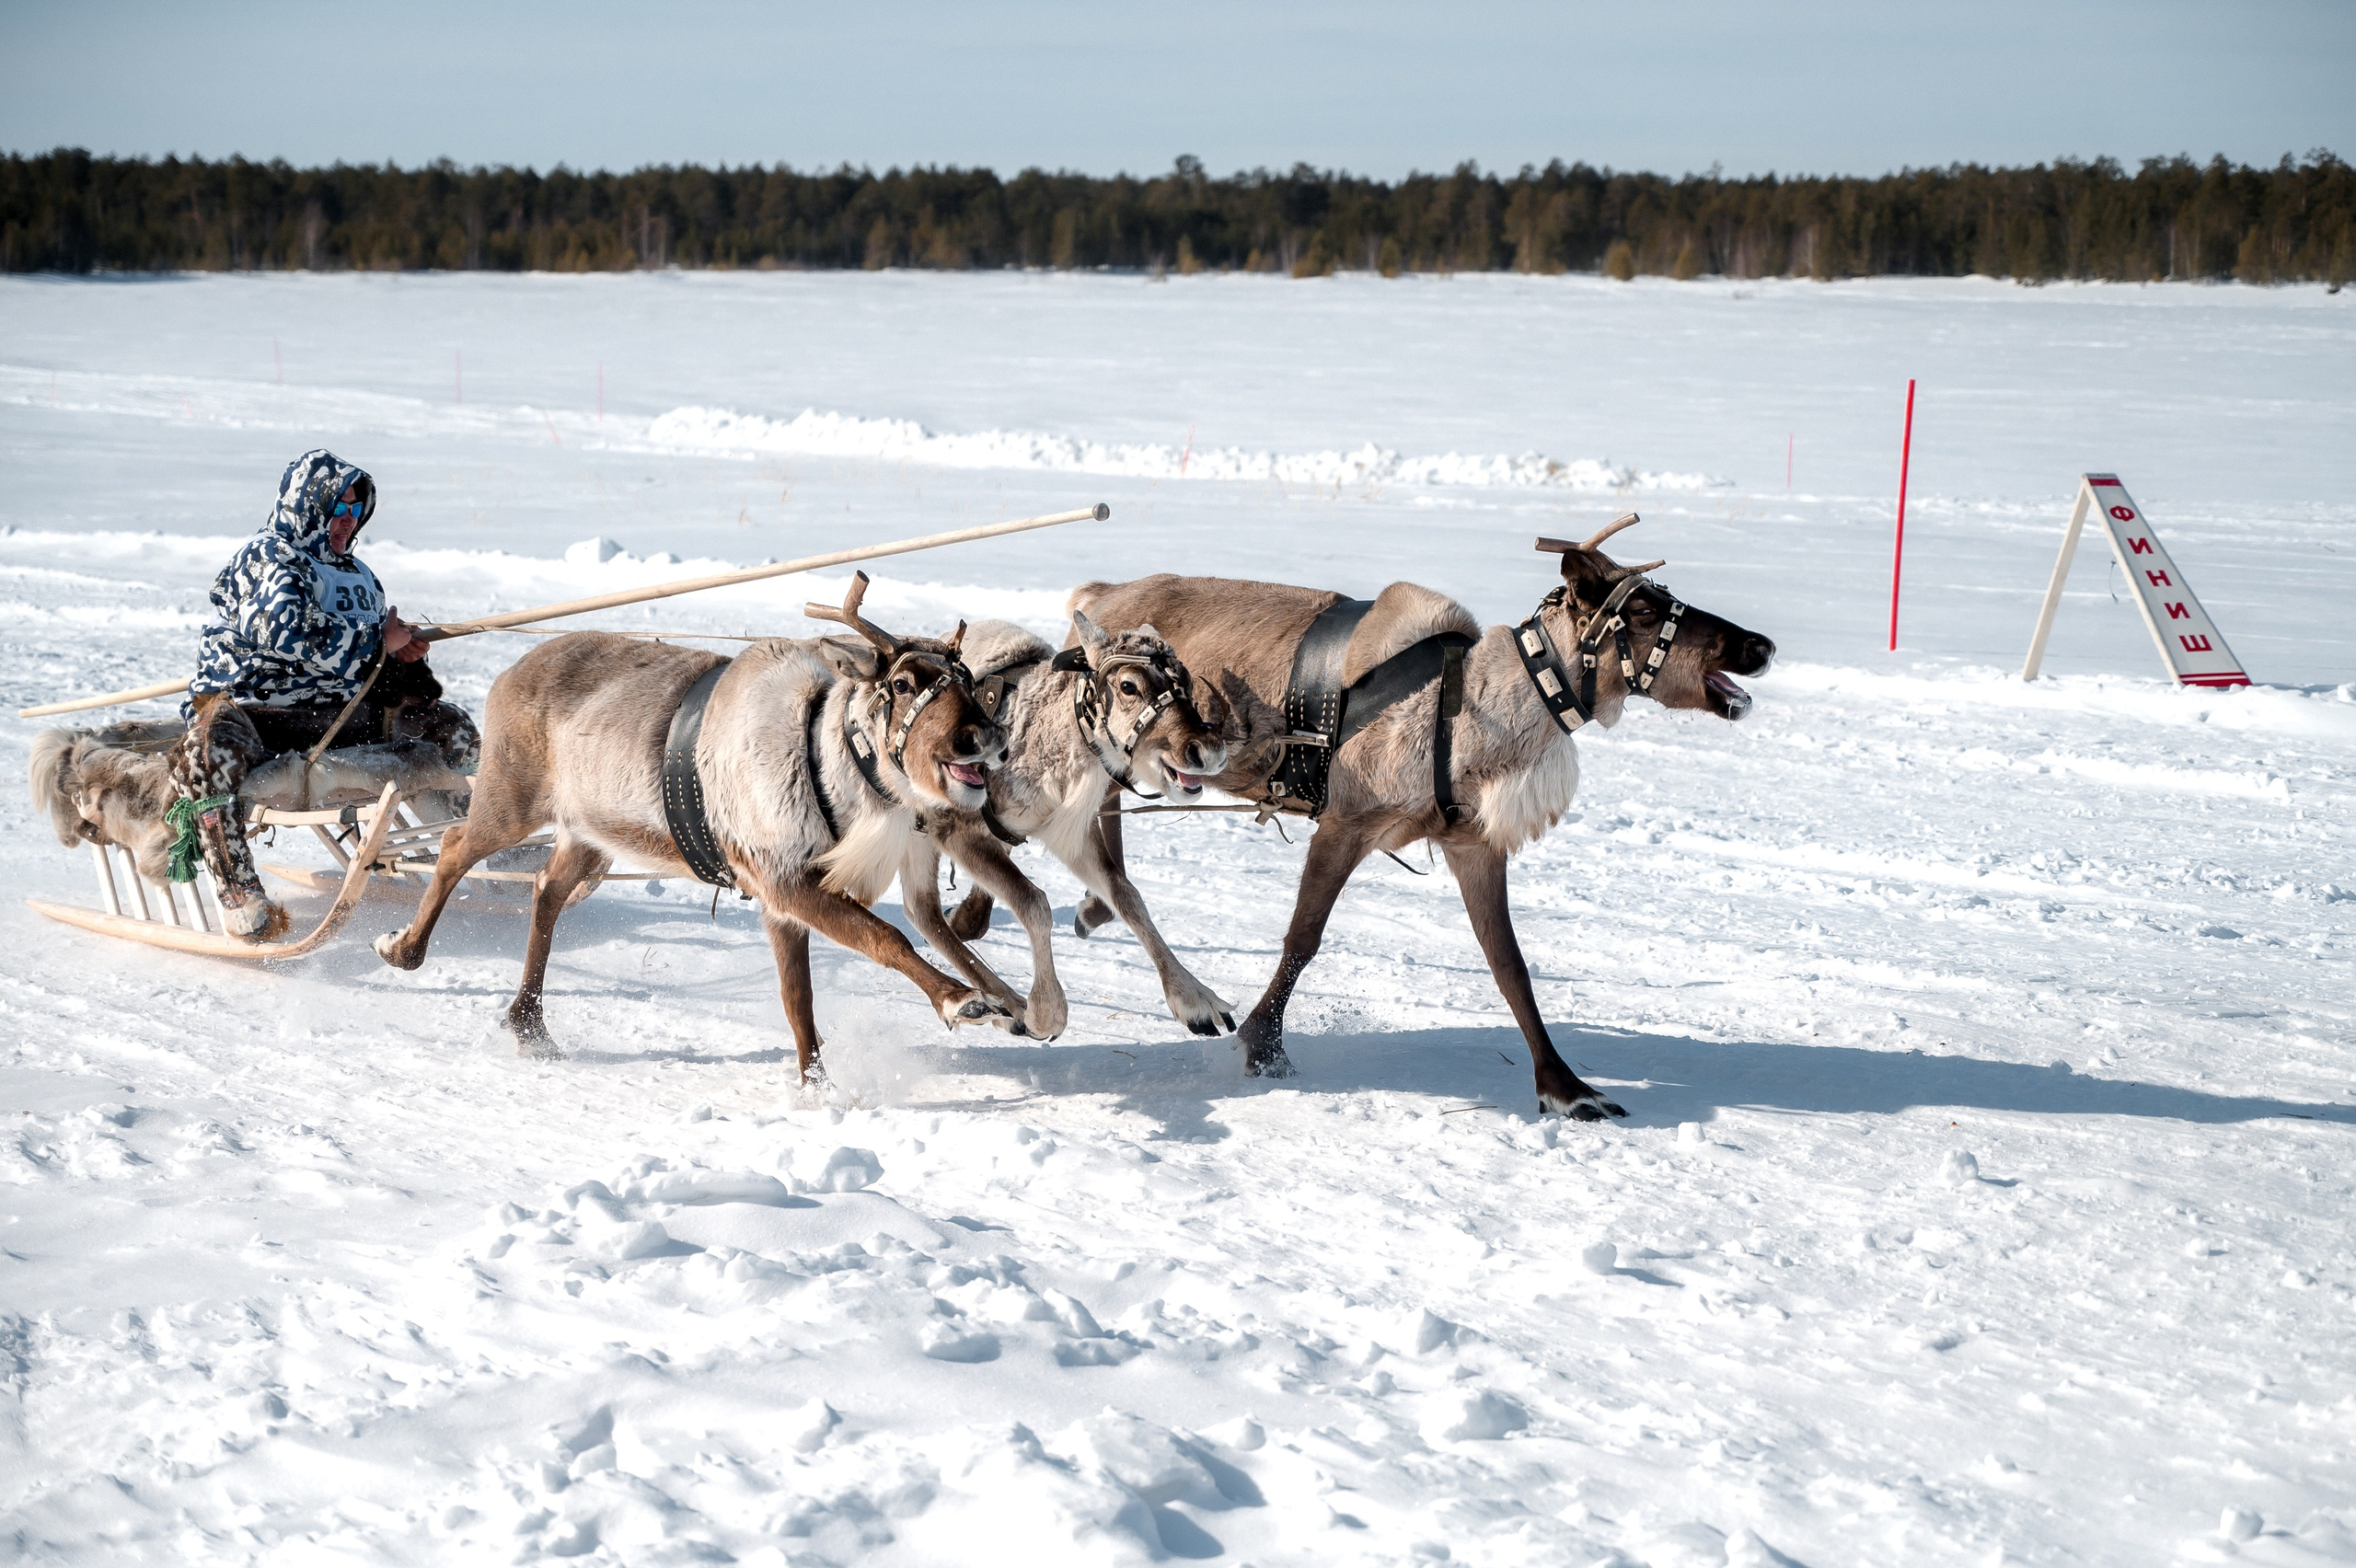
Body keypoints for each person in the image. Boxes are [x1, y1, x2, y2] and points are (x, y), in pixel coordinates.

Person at [168, 449, 476, 940]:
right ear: (308, 506)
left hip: (343, 719)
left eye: (356, 510)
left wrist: (398, 660)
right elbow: (285, 631)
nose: (348, 521)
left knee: (449, 723)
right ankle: (239, 893)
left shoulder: (359, 576)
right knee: (207, 748)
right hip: (256, 716)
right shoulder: (268, 556)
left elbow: (369, 664)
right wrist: (377, 640)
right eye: (338, 508)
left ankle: (484, 844)